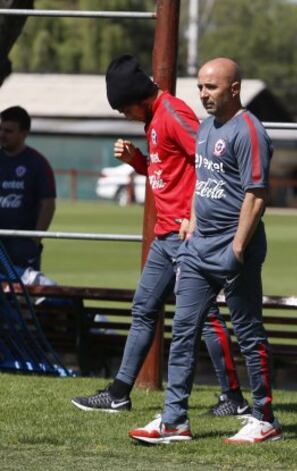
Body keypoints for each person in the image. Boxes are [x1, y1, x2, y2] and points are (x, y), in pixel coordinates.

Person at [71, 54, 250, 417]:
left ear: (137, 99)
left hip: (187, 235)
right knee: (143, 309)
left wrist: (193, 218)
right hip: (164, 236)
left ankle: (234, 398)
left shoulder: (173, 114)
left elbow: (207, 164)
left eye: (124, 109)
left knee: (205, 318)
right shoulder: (153, 118)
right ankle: (120, 392)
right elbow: (166, 169)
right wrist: (138, 161)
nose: (124, 116)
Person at [129, 58, 283, 445]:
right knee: (183, 331)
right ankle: (175, 420)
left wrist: (237, 247)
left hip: (234, 249)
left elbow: (257, 195)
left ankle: (265, 419)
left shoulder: (249, 131)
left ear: (234, 89)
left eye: (211, 88)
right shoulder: (205, 128)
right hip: (197, 248)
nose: (203, 94)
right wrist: (193, 221)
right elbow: (204, 182)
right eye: (200, 87)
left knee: (248, 332)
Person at [0, 106, 56, 272]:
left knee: (24, 294)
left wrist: (35, 240)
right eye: (1, 129)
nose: (2, 134)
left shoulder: (37, 163)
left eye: (8, 131)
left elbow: (48, 204)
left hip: (22, 246)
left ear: (24, 133)